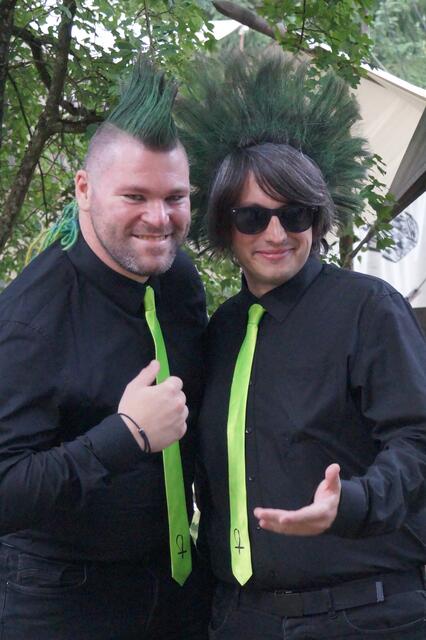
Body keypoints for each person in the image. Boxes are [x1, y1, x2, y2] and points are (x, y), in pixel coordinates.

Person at [176, 52, 426, 639]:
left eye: (295, 214)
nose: (275, 233)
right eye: (252, 216)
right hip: (241, 618)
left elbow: (418, 439)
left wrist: (353, 502)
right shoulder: (222, 331)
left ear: (317, 218)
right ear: (224, 225)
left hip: (364, 615)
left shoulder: (368, 308)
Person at [0, 59, 211, 639]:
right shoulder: (30, 319)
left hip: (177, 586)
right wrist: (126, 435)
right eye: (135, 196)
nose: (159, 219)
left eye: (175, 197)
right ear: (84, 189)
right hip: (60, 601)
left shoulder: (177, 280)